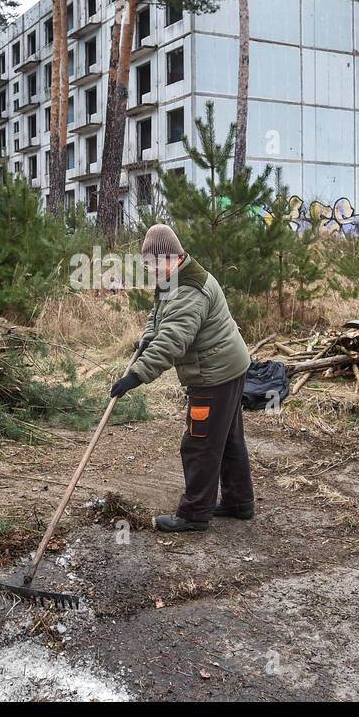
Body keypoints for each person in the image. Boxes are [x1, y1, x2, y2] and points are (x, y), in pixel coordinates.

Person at [110, 224, 254, 531]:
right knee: (228, 439)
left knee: (200, 443)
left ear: (172, 257)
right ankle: (238, 502)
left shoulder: (189, 289)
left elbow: (173, 340)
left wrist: (137, 375)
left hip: (214, 374)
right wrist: (147, 339)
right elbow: (159, 315)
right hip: (229, 367)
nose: (151, 271)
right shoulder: (174, 277)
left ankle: (193, 514)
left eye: (154, 264)